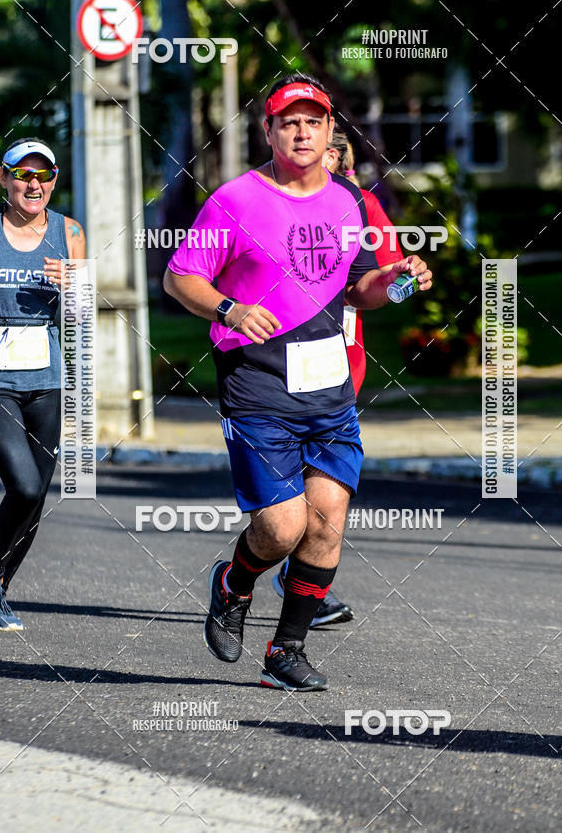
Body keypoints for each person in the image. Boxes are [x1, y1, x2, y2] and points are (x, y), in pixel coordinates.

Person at [164, 74, 432, 691]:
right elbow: (181, 277)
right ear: (269, 131)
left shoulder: (348, 203)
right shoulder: (236, 200)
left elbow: (360, 288)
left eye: (314, 121)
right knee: (282, 528)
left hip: (329, 387)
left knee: (328, 518)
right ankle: (232, 584)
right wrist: (229, 309)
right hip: (258, 387)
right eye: (290, 122)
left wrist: (397, 281)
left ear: (331, 130)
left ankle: (285, 651)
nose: (303, 132)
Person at [271, 128, 405, 623]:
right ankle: (280, 569)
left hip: (340, 361)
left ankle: (300, 582)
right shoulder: (271, 199)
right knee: (290, 497)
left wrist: (405, 280)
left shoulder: (360, 204)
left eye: (331, 154)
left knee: (326, 490)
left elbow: (387, 278)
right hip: (276, 364)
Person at [0, 137, 86, 631]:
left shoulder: (69, 232)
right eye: (23, 175)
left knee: (36, 498)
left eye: (43, 175)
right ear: (3, 178)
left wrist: (74, 288)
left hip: (47, 382)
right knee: (23, 486)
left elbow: (82, 319)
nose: (34, 185)